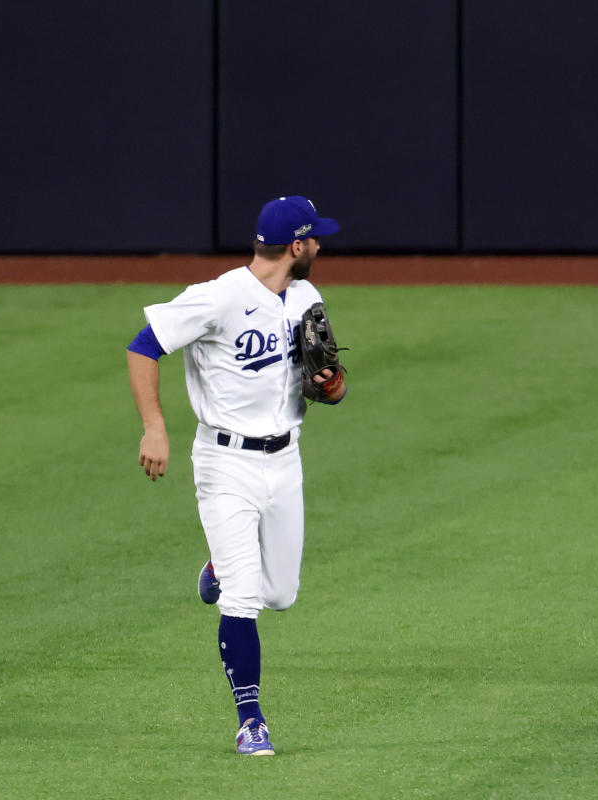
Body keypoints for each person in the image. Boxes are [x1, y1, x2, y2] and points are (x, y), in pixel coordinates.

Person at [126, 195, 346, 753]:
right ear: (296, 246)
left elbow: (322, 378)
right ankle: (251, 720)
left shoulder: (306, 297)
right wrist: (155, 427)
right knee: (244, 599)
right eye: (315, 237)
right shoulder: (220, 297)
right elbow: (143, 346)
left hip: (286, 459)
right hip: (224, 463)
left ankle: (219, 567)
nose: (321, 244)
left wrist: (331, 388)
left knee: (282, 593)